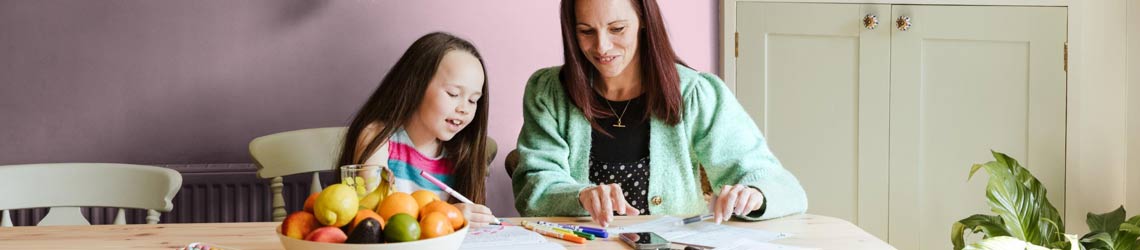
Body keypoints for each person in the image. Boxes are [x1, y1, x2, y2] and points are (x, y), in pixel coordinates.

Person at [513, 0, 807, 227]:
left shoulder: (695, 93)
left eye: (617, 29)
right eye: (586, 31)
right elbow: (533, 186)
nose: (601, 47)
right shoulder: (548, 91)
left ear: (643, 21)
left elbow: (777, 183)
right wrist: (580, 196)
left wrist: (755, 194)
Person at [337, 32, 498, 227]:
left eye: (473, 100)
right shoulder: (377, 138)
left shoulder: (461, 154)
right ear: (416, 86)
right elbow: (372, 219)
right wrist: (450, 215)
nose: (464, 108)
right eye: (453, 93)